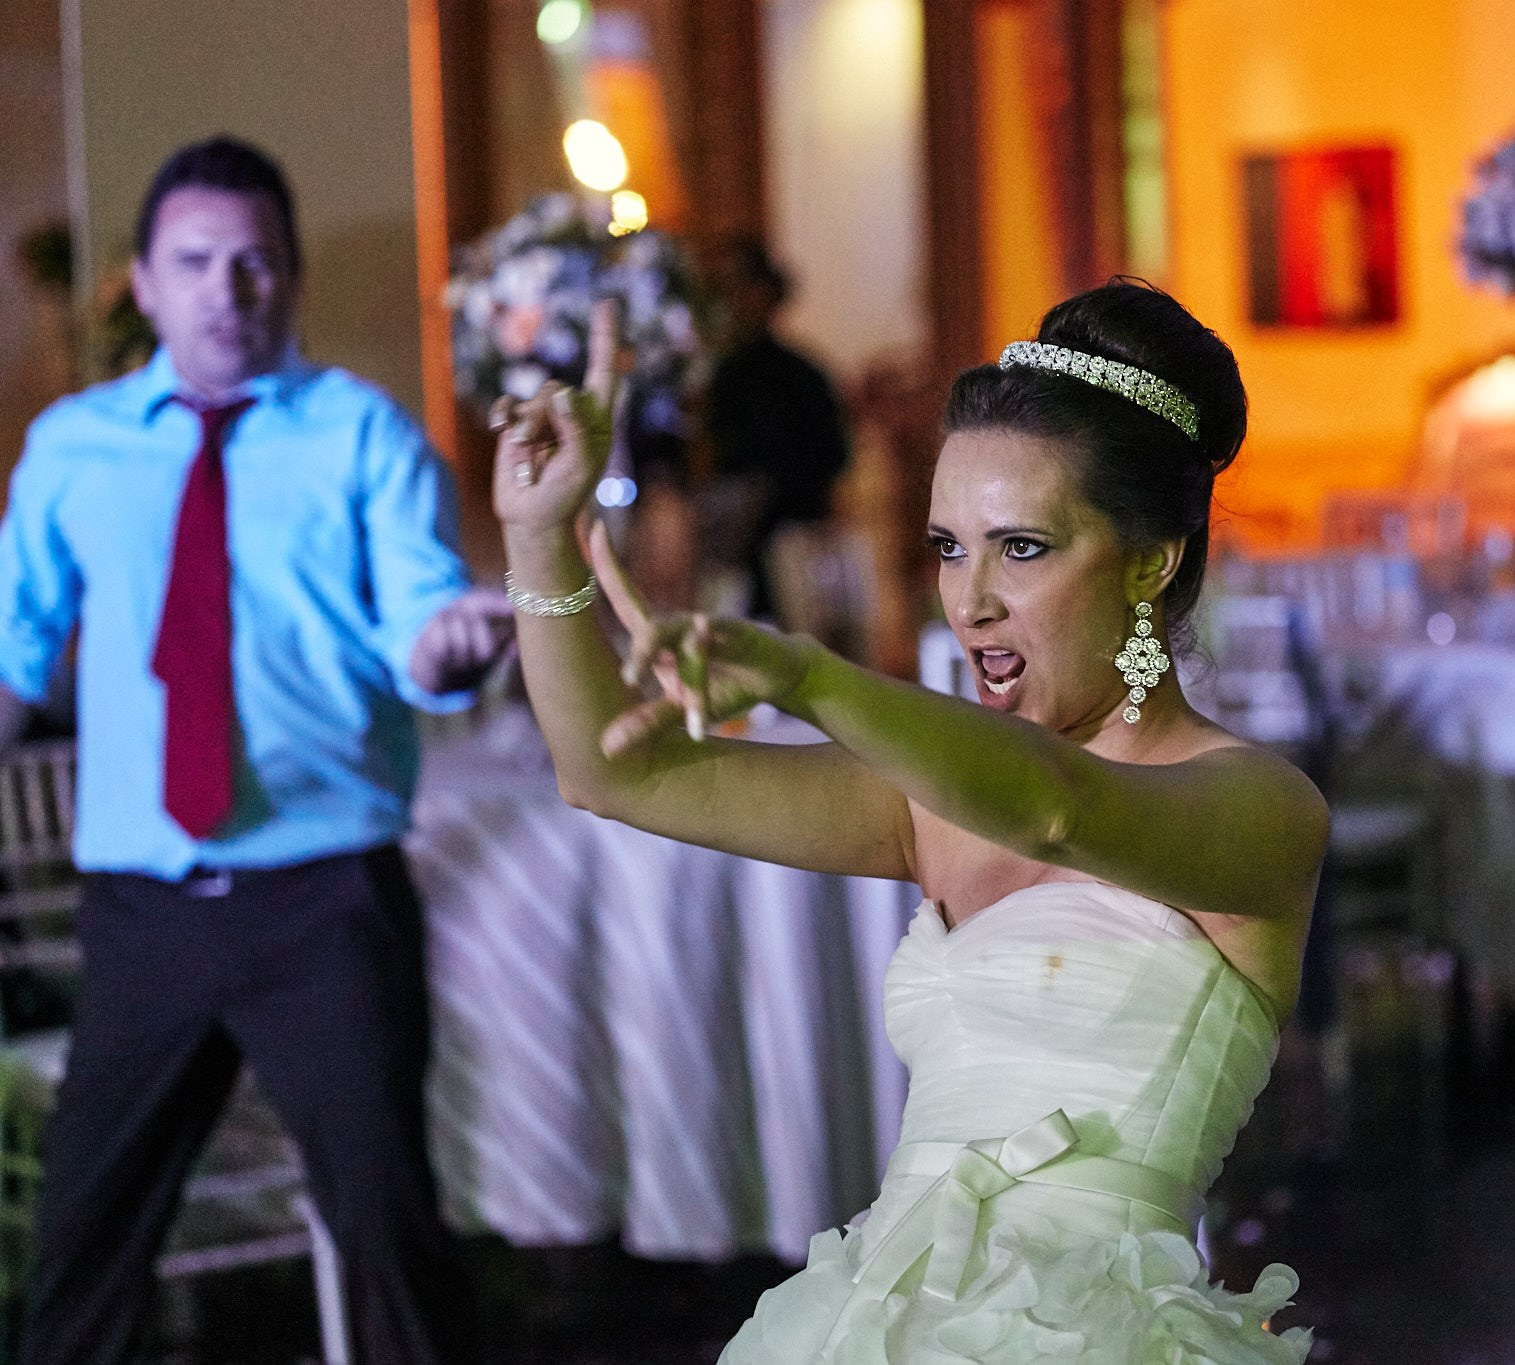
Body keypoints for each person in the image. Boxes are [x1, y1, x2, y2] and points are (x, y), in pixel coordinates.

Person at [496, 281, 1325, 1360]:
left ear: (1147, 561)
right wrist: (537, 535)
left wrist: (808, 678)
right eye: (946, 546)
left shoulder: (1258, 806)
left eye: (1020, 547)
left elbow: (1053, 810)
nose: (968, 599)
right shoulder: (932, 796)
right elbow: (614, 775)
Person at [0, 137, 504, 1363]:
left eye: (256, 263)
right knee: (82, 1246)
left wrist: (450, 647)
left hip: (325, 903)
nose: (229, 291)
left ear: (291, 280)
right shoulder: (73, 447)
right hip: (144, 908)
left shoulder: (361, 436)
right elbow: (15, 658)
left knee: (392, 1238)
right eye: (197, 263)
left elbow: (419, 625)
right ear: (145, 285)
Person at [698, 238, 850, 622]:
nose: (734, 301)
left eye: (744, 288)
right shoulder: (713, 374)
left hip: (787, 545)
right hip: (728, 547)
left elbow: (830, 457)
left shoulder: (803, 375)